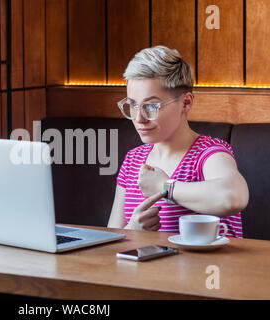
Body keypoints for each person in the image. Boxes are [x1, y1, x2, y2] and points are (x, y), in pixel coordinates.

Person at [107, 46, 249, 237]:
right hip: (149, 268)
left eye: (151, 106)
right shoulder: (133, 160)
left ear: (186, 102)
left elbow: (233, 198)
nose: (139, 118)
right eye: (133, 105)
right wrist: (133, 229)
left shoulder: (209, 153)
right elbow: (109, 242)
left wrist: (165, 187)